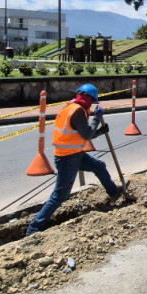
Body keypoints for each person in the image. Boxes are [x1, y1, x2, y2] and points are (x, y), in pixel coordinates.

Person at [26, 84, 124, 236]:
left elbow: (82, 133)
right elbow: (86, 135)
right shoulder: (77, 111)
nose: (92, 105)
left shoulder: (71, 107)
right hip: (67, 158)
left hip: (74, 154)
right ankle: (34, 228)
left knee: (99, 165)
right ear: (89, 98)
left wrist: (99, 132)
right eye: (92, 101)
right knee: (60, 195)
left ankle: (114, 192)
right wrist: (97, 118)